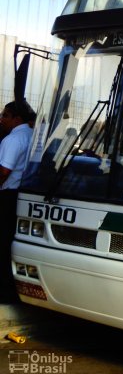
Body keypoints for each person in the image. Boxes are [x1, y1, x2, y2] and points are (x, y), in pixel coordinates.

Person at [0, 100, 35, 300]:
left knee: (2, 243)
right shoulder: (31, 136)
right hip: (20, 195)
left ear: (17, 119)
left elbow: (4, 170)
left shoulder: (12, 140)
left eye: (5, 115)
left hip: (6, 195)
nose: (1, 119)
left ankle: (4, 290)